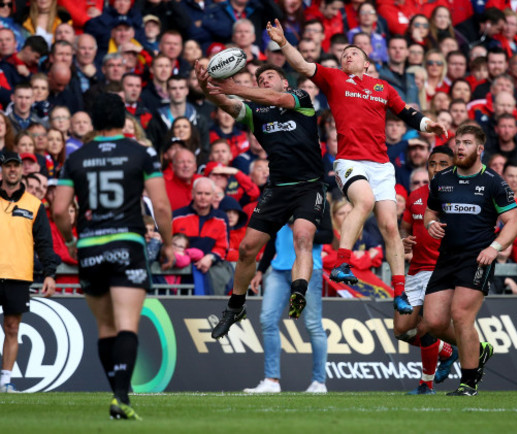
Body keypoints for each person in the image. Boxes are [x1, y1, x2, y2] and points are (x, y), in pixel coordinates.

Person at [266, 19, 447, 316]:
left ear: (366, 63)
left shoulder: (382, 87)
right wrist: (284, 43)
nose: (347, 57)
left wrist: (429, 125)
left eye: (354, 54)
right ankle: (342, 263)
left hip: (381, 165)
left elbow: (407, 114)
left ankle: (400, 291)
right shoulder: (334, 78)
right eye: (344, 54)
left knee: (390, 225)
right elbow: (301, 65)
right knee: (364, 201)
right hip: (350, 160)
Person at [52, 93, 174, 420]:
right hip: (127, 243)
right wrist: (169, 242)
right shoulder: (141, 152)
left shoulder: (76, 157)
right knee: (126, 324)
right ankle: (121, 396)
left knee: (105, 327)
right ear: (123, 120)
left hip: (91, 245)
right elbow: (161, 206)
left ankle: (118, 393)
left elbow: (60, 209)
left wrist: (70, 240)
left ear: (93, 121)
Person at [194, 61, 327, 337]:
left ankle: (298, 292)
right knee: (246, 249)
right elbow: (225, 103)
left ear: (285, 83)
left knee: (302, 237)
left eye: (269, 75)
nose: (264, 80)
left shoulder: (301, 98)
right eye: (260, 78)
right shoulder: (256, 111)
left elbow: (275, 98)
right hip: (277, 189)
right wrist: (207, 86)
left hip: (309, 186)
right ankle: (235, 307)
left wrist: (234, 87)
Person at [422, 124, 517, 396]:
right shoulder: (441, 179)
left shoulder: (494, 182)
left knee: (461, 315)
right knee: (432, 322)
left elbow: (514, 222)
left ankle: (468, 382)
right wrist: (431, 224)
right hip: (446, 258)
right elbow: (430, 213)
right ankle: (479, 350)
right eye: (458, 142)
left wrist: (495, 247)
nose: (460, 147)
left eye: (466, 142)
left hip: (477, 258)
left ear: (480, 149)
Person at [243, 204, 332, 394]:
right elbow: (272, 237)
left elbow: (328, 236)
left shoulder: (318, 200)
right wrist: (260, 269)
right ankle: (271, 380)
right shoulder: (281, 197)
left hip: (308, 269)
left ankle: (319, 382)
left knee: (313, 325)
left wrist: (303, 231)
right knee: (267, 319)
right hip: (278, 270)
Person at [397, 146, 458, 395]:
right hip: (416, 270)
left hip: (443, 270)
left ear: (453, 167)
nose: (436, 168)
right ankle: (448, 351)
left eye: (443, 164)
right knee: (402, 330)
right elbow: (404, 228)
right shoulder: (415, 197)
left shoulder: (459, 197)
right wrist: (405, 240)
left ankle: (426, 384)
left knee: (428, 326)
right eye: (433, 163)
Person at [0, 151, 57, 393]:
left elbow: (44, 242)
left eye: (16, 166)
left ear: (22, 170)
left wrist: (50, 273)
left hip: (18, 274)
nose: (12, 170)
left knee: (13, 328)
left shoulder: (35, 205)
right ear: (2, 170)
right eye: (8, 166)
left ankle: (5, 381)